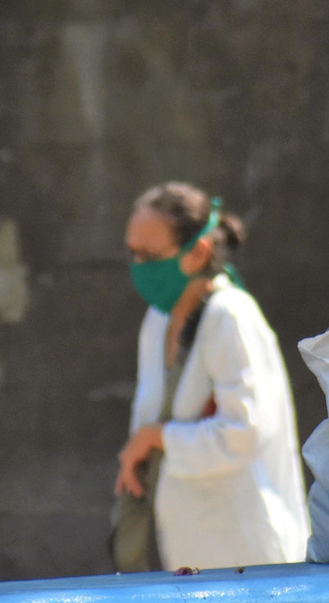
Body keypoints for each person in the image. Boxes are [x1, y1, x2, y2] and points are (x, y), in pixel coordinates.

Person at [113, 183, 309, 571]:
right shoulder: (157, 321)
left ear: (198, 252)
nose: (139, 267)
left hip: (250, 558)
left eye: (150, 256)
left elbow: (245, 432)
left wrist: (157, 437)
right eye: (132, 254)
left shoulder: (231, 316)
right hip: (189, 558)